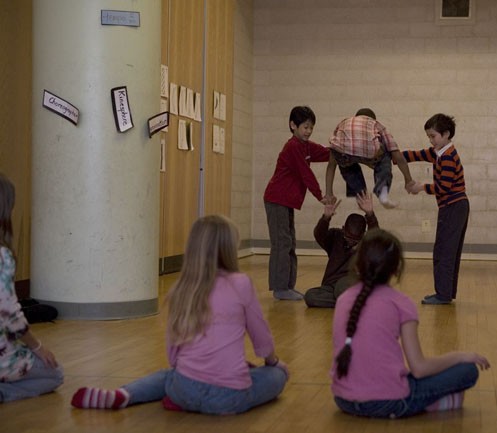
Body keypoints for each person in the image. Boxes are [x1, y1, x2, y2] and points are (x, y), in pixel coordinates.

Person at [71, 215, 289, 414]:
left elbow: (173, 350)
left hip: (183, 390)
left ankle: (123, 395)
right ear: (229, 249)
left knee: (169, 375)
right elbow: (262, 339)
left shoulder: (182, 288)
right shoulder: (241, 283)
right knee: (277, 376)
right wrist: (273, 361)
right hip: (228, 398)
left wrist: (185, 370)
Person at [330, 228, 490, 418]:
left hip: (343, 400)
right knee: (468, 370)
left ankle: (429, 403)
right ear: (397, 268)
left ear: (357, 263)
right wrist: (461, 356)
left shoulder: (343, 299)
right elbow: (419, 368)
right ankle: (431, 404)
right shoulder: (401, 302)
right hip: (389, 402)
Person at [0, 173, 63, 403]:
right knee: (54, 374)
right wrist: (37, 347)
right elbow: (9, 314)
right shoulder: (2, 255)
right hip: (3, 358)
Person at [264, 106, 331, 301]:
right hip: (276, 199)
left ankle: (287, 286)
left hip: (286, 202)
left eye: (311, 128)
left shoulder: (306, 146)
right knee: (282, 243)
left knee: (290, 242)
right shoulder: (293, 146)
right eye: (305, 127)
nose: (308, 131)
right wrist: (321, 196)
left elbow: (327, 154)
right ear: (293, 125)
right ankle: (279, 287)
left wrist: (345, 151)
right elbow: (305, 174)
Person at [402, 113, 468, 305]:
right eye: (429, 137)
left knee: (444, 251)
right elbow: (415, 155)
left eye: (433, 136)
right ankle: (446, 293)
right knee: (447, 251)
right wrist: (394, 155)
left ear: (446, 134)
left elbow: (442, 188)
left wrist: (420, 187)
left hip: (454, 207)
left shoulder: (447, 156)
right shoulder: (438, 152)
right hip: (453, 207)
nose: (431, 140)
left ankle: (443, 295)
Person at [325, 108, 415, 209]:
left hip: (343, 152)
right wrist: (408, 180)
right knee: (387, 153)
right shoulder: (376, 124)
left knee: (344, 163)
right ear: (372, 118)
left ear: (356, 117)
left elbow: (331, 165)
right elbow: (398, 156)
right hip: (369, 152)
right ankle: (383, 193)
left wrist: (329, 193)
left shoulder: (344, 122)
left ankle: (360, 195)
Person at [304, 191, 378, 308]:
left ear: (363, 235)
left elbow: (375, 235)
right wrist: (326, 218)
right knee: (310, 296)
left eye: (355, 240)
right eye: (348, 238)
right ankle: (353, 302)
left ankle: (350, 300)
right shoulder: (335, 236)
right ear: (343, 229)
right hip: (330, 286)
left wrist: (370, 214)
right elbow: (319, 234)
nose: (351, 242)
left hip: (350, 284)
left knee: (341, 287)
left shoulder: (366, 243)